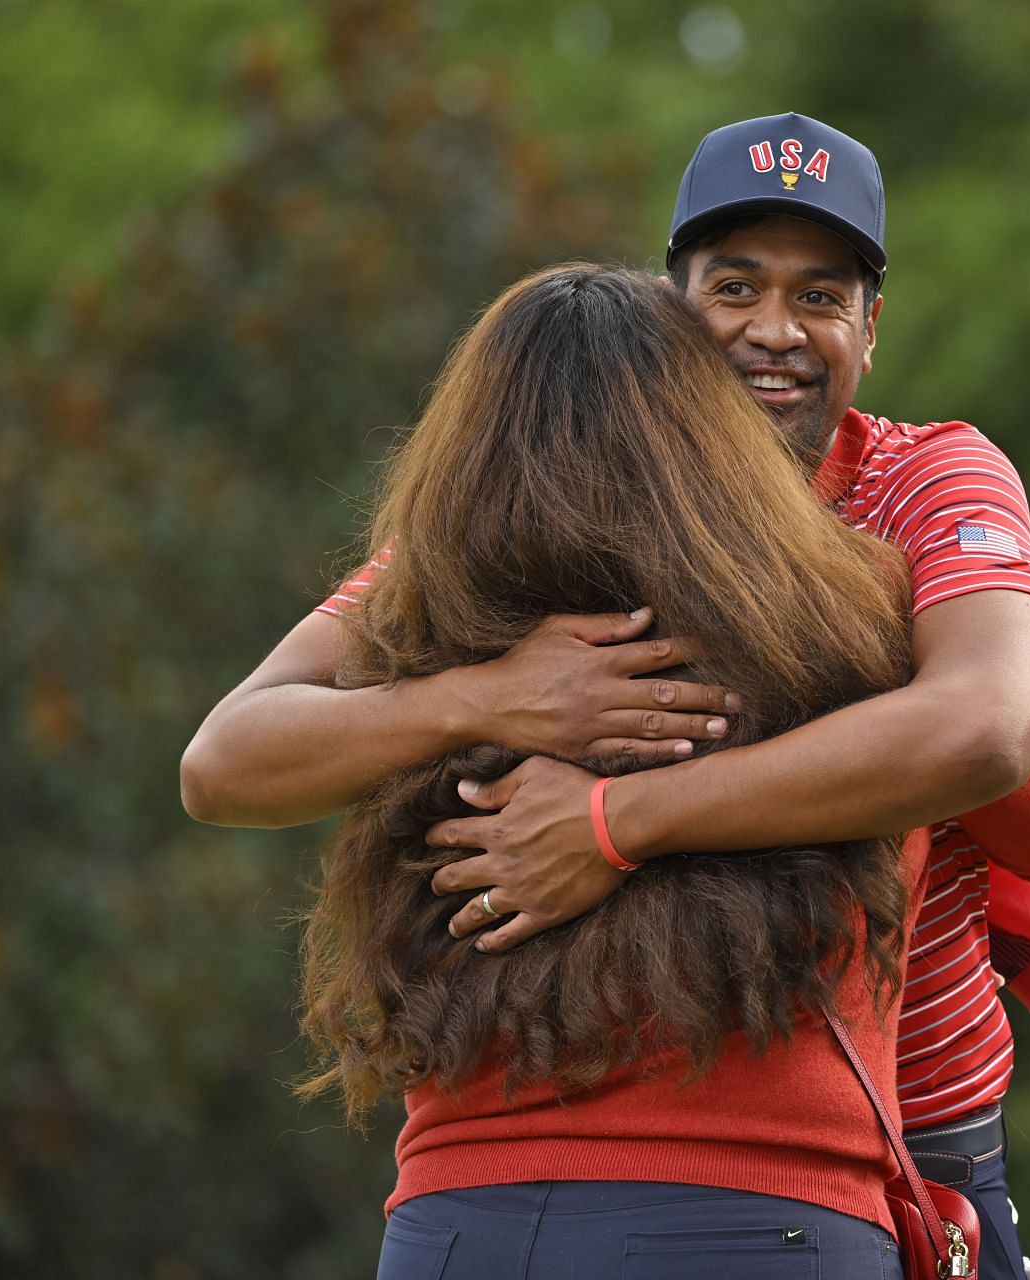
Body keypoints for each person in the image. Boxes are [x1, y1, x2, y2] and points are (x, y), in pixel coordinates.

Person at [182, 112, 1030, 1280]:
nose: (775, 331)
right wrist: (497, 695)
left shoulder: (914, 487)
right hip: (736, 1169)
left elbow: (1023, 760)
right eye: (734, 287)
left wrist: (611, 822)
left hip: (919, 1128)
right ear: (665, 309)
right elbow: (224, 758)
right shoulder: (529, 511)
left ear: (870, 328)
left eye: (820, 298)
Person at [300, 261, 926, 1278]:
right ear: (704, 421)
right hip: (757, 1209)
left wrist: (577, 784)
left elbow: (224, 759)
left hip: (460, 1220)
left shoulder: (419, 612)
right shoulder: (842, 609)